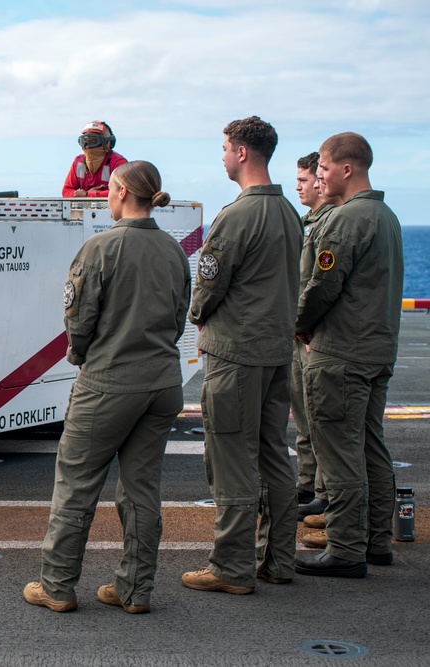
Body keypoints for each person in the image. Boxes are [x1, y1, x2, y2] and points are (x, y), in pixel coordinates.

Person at [24, 160, 191, 614]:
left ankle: (57, 585)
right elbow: (180, 317)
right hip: (162, 382)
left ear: (118, 191)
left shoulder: (100, 248)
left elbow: (78, 322)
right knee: (142, 490)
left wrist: (83, 357)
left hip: (109, 383)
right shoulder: (174, 251)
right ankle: (136, 590)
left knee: (77, 484)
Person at [183, 116, 302, 595]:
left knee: (231, 458)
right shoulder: (290, 212)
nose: (224, 156)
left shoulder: (236, 216)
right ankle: (279, 559)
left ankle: (231, 568)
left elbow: (208, 286)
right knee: (274, 454)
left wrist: (195, 313)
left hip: (236, 354)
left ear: (242, 153)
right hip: (277, 352)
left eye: (226, 148)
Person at [294, 133, 403, 577]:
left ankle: (346, 548)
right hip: (377, 349)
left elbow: (322, 287)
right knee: (370, 446)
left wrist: (298, 323)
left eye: (323, 166)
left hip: (341, 351)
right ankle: (377, 541)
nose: (319, 175)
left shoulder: (345, 220)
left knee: (338, 452)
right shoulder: (386, 215)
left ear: (346, 169)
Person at [292, 152, 338, 518]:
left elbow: (318, 283)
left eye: (306, 180)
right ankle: (309, 485)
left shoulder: (327, 224)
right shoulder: (305, 222)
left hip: (311, 335)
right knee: (304, 418)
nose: (301, 186)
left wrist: (300, 322)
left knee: (318, 418)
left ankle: (323, 492)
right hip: (299, 333)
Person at [61, 121, 127, 198]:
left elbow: (122, 191)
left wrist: (87, 195)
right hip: (83, 209)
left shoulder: (117, 163)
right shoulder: (79, 162)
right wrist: (85, 194)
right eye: (84, 142)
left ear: (106, 143)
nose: (87, 146)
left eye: (93, 141)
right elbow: (66, 191)